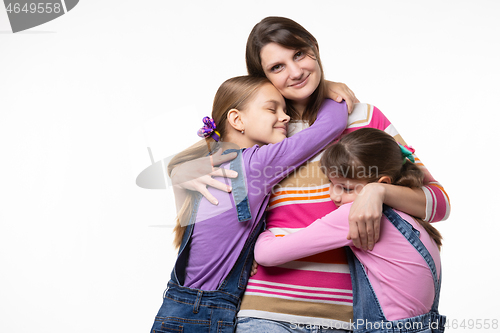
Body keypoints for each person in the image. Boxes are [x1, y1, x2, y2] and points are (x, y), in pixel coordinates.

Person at [170, 17, 450, 332]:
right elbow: (210, 157)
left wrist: (378, 192)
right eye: (277, 67)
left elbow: (439, 202)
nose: (295, 71)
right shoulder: (267, 129)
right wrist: (182, 170)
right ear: (262, 78)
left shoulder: (364, 118)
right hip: (265, 313)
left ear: (315, 50)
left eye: (300, 54)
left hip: (352, 316)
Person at [149, 75, 348, 333]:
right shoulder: (255, 164)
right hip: (208, 314)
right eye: (271, 108)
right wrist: (327, 90)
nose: (285, 117)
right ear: (237, 119)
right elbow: (331, 126)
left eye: (285, 110)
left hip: (176, 308)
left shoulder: (207, 166)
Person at [253, 128, 446, 333]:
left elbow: (267, 255)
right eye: (331, 183)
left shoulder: (355, 215)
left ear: (382, 184)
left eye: (346, 188)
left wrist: (264, 232)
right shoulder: (410, 218)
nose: (334, 196)